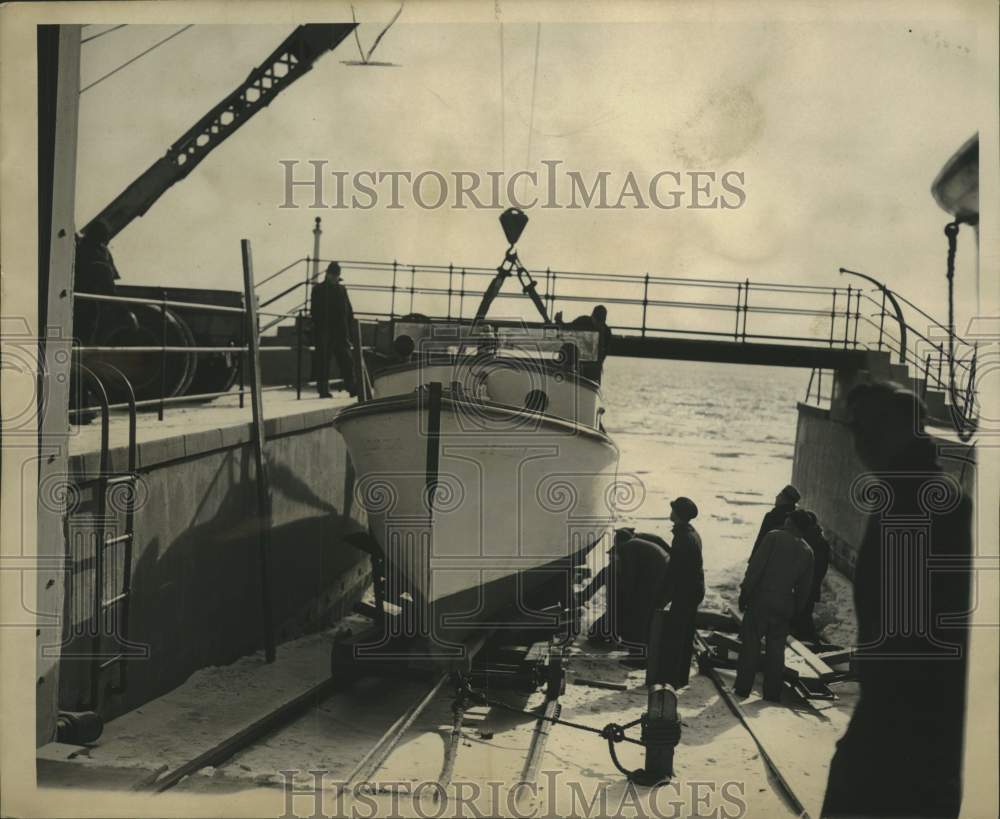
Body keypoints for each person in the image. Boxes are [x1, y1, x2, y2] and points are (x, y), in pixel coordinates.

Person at [821, 383, 971, 818]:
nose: (859, 441)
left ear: (900, 431)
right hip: (924, 721)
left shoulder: (911, 506)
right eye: (856, 430)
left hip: (904, 722)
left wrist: (877, 731)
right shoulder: (930, 497)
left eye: (867, 428)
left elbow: (909, 637)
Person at [735, 508, 814, 702]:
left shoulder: (774, 537)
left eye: (789, 517)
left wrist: (745, 593)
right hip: (786, 603)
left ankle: (743, 689)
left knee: (751, 645)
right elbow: (805, 588)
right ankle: (772, 693)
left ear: (791, 522)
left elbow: (756, 568)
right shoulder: (807, 551)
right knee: (776, 650)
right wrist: (797, 611)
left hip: (762, 599)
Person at [651, 497, 705, 688]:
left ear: (679, 514)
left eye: (673, 509)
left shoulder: (682, 537)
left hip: (686, 591)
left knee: (674, 635)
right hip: (694, 590)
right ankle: (680, 678)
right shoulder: (691, 533)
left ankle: (669, 678)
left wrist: (661, 598)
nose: (670, 511)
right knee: (685, 633)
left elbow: (674, 572)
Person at [608, 527, 672, 652]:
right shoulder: (639, 542)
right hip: (666, 578)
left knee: (639, 615)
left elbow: (630, 575)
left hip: (659, 579)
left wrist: (628, 596)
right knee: (647, 614)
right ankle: (646, 647)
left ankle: (638, 654)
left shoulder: (627, 547)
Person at [310, 261, 356, 398]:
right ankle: (323, 390)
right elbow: (315, 311)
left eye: (336, 275)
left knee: (346, 361)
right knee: (324, 361)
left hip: (340, 332)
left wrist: (349, 330)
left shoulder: (340, 289)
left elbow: (349, 310)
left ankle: (351, 387)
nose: (335, 278)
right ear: (329, 275)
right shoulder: (319, 289)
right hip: (325, 331)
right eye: (334, 275)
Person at [73, 220, 121, 344]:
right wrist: (125, 314)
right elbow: (109, 288)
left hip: (77, 302)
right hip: (89, 305)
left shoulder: (79, 247)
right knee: (84, 340)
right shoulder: (99, 255)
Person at [790, 510, 830, 641]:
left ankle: (811, 641)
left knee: (801, 616)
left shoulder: (806, 541)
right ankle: (808, 639)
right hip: (811, 586)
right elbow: (822, 568)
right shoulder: (821, 541)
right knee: (804, 614)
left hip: (804, 586)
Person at [749, 483, 800, 562]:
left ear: (784, 499)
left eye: (779, 495)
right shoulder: (797, 518)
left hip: (768, 559)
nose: (776, 497)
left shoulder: (772, 516)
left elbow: (761, 540)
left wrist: (752, 560)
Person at [569, 305, 613, 382]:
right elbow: (568, 330)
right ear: (592, 316)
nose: (599, 323)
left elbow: (605, 351)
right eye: (598, 320)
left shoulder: (606, 331)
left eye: (602, 320)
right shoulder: (582, 321)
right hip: (576, 362)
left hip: (591, 367)